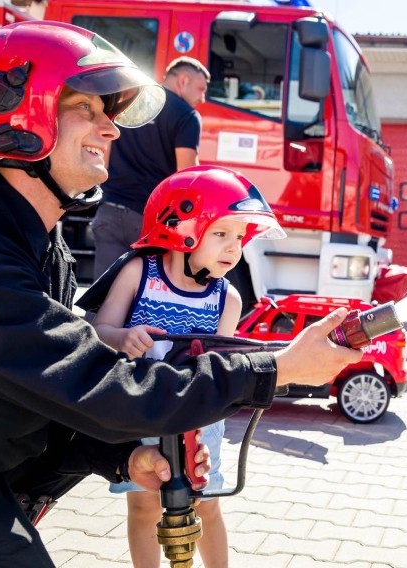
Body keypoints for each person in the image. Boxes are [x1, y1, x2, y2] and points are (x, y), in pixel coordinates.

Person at [0, 22, 362, 568]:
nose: (113, 131)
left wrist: (127, 457)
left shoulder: (36, 235)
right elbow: (91, 384)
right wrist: (277, 367)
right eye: (88, 109)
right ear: (16, 116)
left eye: (112, 113)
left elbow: (44, 397)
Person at [91, 165, 282, 568]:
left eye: (240, 238)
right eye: (221, 233)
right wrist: (123, 337)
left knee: (206, 503)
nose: (234, 248)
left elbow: (221, 366)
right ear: (179, 227)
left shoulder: (227, 299)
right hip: (141, 410)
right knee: (144, 505)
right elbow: (99, 328)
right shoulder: (139, 272)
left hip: (198, 419)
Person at [91, 56, 209, 279]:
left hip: (109, 210)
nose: (202, 98)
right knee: (140, 298)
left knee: (102, 297)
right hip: (149, 222)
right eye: (201, 89)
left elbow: (103, 158)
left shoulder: (130, 102)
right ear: (183, 81)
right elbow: (186, 177)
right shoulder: (187, 116)